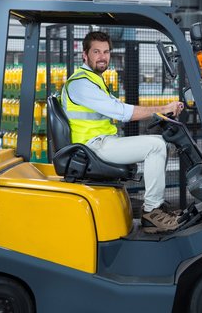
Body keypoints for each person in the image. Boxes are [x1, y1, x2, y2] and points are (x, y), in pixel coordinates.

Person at [61, 31, 184, 233]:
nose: (102, 56)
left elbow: (117, 107)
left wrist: (160, 112)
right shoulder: (81, 84)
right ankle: (152, 211)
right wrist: (162, 109)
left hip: (99, 143)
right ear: (85, 55)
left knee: (157, 140)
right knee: (156, 146)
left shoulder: (94, 80)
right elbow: (122, 112)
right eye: (96, 52)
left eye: (106, 52)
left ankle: (156, 207)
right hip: (92, 147)